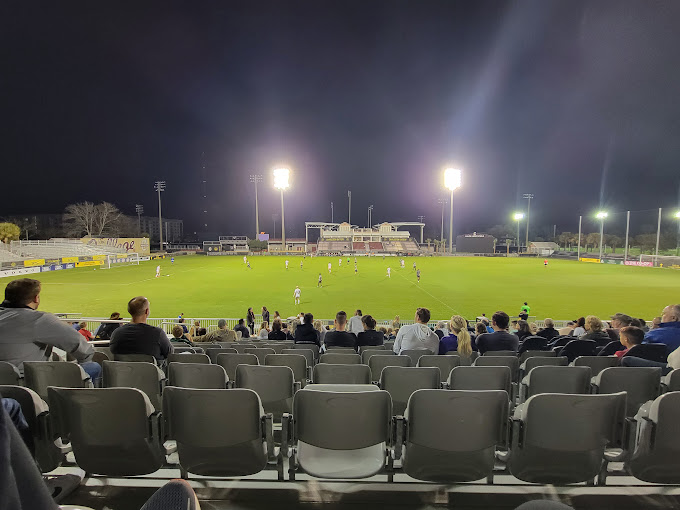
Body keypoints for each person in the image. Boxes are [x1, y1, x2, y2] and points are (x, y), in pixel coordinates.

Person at [0, 278, 99, 381]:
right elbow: (81, 347)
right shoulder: (38, 320)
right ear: (36, 298)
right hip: (27, 383)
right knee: (93, 367)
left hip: (5, 383)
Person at [110, 296, 173, 362]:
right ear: (147, 311)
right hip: (151, 372)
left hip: (122, 371)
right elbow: (170, 354)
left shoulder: (116, 333)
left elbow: (113, 353)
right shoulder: (157, 333)